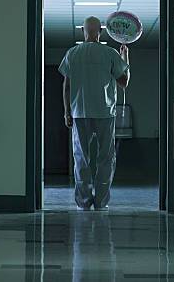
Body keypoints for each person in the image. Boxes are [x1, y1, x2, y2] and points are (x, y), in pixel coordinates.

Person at [58, 16, 130, 211]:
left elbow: (66, 86)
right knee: (106, 159)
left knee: (81, 158)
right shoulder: (110, 53)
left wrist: (66, 112)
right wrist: (125, 57)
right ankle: (100, 202)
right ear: (101, 32)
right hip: (105, 112)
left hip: (79, 112)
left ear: (83, 31)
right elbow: (124, 83)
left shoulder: (72, 53)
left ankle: (83, 202)